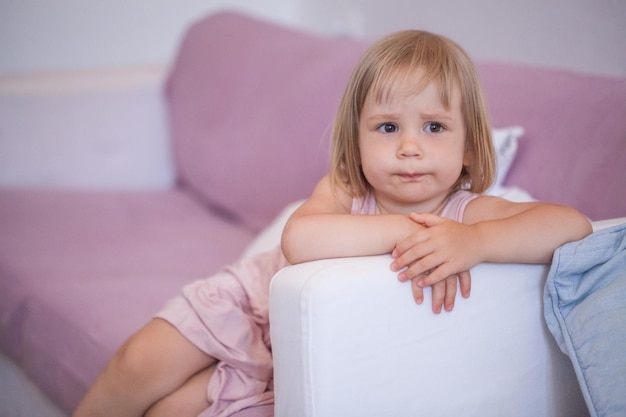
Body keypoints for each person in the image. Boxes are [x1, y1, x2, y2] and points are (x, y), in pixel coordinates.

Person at [72, 30, 592, 417]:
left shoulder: (467, 213)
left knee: (171, 411)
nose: (409, 147)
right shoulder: (348, 185)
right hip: (251, 304)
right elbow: (301, 240)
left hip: (305, 349)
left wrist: (476, 242)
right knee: (137, 363)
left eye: (434, 127)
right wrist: (411, 231)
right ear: (357, 143)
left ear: (469, 149)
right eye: (387, 127)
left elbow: (573, 227)